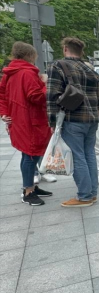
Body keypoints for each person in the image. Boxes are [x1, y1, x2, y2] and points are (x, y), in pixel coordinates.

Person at [46, 37, 99, 207]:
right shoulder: (91, 69)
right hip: (92, 120)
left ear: (65, 49)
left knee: (78, 156)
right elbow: (97, 98)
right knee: (89, 154)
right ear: (81, 51)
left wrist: (52, 121)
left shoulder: (58, 66)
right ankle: (92, 193)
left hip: (73, 118)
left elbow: (51, 96)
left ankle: (84, 196)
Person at [0, 42, 52, 205]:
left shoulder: (9, 73)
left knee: (28, 154)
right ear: (31, 56)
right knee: (31, 154)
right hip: (31, 121)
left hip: (19, 120)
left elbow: (2, 94)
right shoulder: (28, 73)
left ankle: (32, 187)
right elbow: (36, 97)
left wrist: (4, 113)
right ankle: (28, 191)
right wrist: (45, 84)